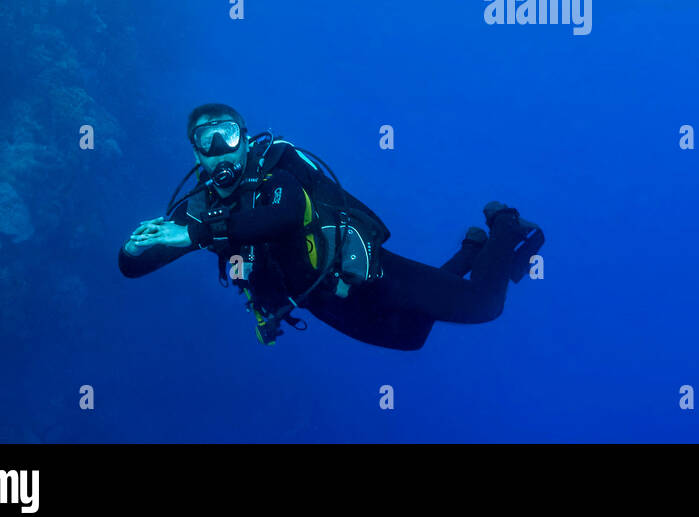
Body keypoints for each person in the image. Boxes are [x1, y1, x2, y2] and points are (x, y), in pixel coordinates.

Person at [119, 103, 544, 351]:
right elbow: (130, 269)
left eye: (227, 137)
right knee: (412, 336)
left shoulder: (275, 174)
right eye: (206, 142)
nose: (220, 151)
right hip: (321, 301)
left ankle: (504, 224)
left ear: (245, 141)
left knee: (486, 306)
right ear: (196, 156)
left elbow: (282, 218)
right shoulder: (196, 209)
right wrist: (135, 251)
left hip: (371, 275)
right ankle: (471, 251)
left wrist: (194, 236)